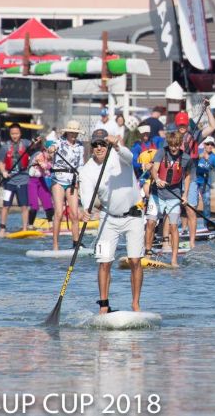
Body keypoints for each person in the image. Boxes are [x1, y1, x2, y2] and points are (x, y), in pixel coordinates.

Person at [79, 130, 144, 314]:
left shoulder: (119, 155)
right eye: (95, 144)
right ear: (91, 147)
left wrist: (116, 146)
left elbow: (130, 157)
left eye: (103, 144)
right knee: (104, 262)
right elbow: (87, 194)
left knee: (134, 260)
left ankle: (135, 305)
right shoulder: (87, 170)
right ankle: (104, 305)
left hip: (134, 216)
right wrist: (86, 209)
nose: (99, 147)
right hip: (108, 218)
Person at [147, 131, 194, 266]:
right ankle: (148, 253)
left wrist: (185, 195)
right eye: (171, 145)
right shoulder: (161, 152)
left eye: (176, 145)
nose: (173, 148)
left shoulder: (185, 158)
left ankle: (174, 259)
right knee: (150, 223)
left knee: (174, 226)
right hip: (157, 194)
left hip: (174, 195)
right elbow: (154, 169)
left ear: (180, 145)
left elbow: (187, 176)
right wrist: (157, 179)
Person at [175, 102, 215, 245]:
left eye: (184, 125)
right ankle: (169, 240)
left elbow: (213, 126)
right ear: (177, 125)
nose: (182, 127)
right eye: (180, 125)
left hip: (191, 178)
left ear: (187, 125)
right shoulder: (172, 138)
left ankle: (192, 242)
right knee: (173, 212)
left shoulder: (195, 136)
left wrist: (207, 109)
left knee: (191, 210)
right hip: (175, 178)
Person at [49, 120, 86, 251]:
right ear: (67, 132)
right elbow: (51, 150)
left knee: (75, 214)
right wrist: (51, 150)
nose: (74, 135)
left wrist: (80, 181)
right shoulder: (59, 142)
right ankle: (55, 245)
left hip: (72, 180)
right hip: (58, 180)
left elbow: (80, 165)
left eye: (76, 133)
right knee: (59, 213)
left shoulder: (80, 146)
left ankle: (76, 243)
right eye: (72, 132)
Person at [0, 124, 35, 235]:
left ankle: (24, 228)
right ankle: (2, 229)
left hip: (22, 180)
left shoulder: (26, 143)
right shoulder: (5, 147)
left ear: (20, 134)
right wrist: (3, 172)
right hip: (8, 182)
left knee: (24, 206)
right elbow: (0, 163)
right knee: (6, 206)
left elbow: (35, 146)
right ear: (10, 134)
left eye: (17, 133)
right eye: (13, 133)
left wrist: (38, 141)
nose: (15, 136)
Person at [195, 137, 215, 220]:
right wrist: (199, 156)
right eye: (208, 144)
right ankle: (188, 225)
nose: (210, 146)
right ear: (204, 145)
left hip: (205, 183)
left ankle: (207, 223)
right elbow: (189, 161)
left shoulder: (214, 157)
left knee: (207, 203)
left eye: (212, 144)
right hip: (194, 181)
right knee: (194, 203)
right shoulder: (197, 152)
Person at [27, 139, 54, 226]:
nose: (52, 154)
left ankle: (51, 224)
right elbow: (44, 166)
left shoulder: (50, 157)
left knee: (48, 202)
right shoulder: (39, 155)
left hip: (41, 180)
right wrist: (52, 167)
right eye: (50, 152)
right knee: (34, 205)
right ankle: (30, 225)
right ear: (45, 150)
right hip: (32, 181)